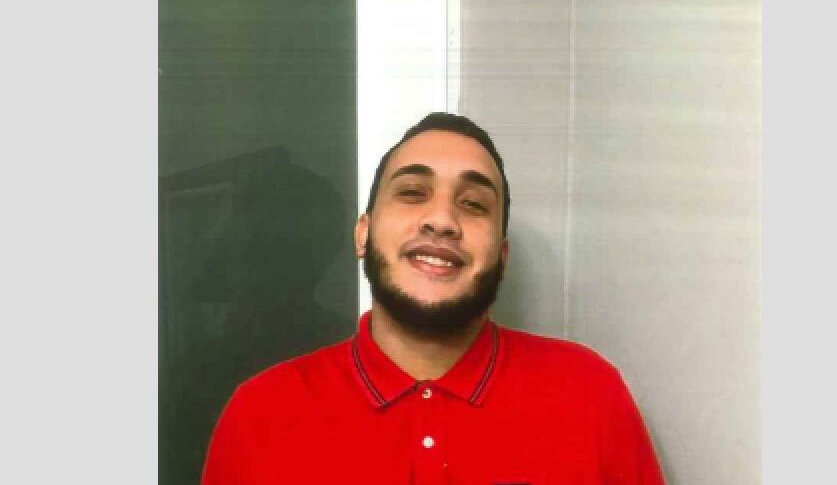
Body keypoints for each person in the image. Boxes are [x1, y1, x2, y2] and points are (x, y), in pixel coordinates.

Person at [201, 112, 666, 484]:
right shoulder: (261, 415)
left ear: (502, 256)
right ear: (363, 234)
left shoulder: (588, 396)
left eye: (473, 204)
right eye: (412, 192)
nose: (442, 220)